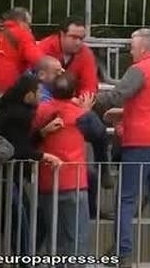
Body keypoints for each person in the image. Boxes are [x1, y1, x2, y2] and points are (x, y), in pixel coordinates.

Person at [95, 28, 150, 268]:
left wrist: (89, 99)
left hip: (140, 143)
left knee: (127, 200)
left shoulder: (138, 70)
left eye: (132, 46)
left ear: (142, 48)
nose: (130, 50)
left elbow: (118, 95)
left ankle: (123, 256)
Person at [32, 73, 108, 263]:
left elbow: (30, 138)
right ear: (73, 92)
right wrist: (86, 111)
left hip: (47, 183)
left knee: (54, 239)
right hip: (75, 183)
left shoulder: (40, 111)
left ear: (51, 90)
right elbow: (99, 135)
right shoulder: (82, 115)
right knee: (77, 240)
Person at [0, 74, 63, 256]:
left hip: (10, 177)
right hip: (8, 179)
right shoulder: (20, 114)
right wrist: (43, 155)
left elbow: (20, 142)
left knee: (24, 223)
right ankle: (24, 259)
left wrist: (42, 133)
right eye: (39, 91)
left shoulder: (10, 109)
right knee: (26, 225)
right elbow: (18, 149)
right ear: (28, 95)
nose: (42, 95)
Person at [38, 16, 99, 97]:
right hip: (43, 99)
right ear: (62, 34)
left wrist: (81, 101)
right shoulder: (43, 48)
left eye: (81, 38)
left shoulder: (86, 54)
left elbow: (90, 86)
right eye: (73, 37)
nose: (78, 42)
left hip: (75, 103)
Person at [0, 7, 44, 95]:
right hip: (8, 86)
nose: (29, 28)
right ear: (21, 22)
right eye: (29, 24)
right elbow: (37, 59)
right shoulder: (22, 33)